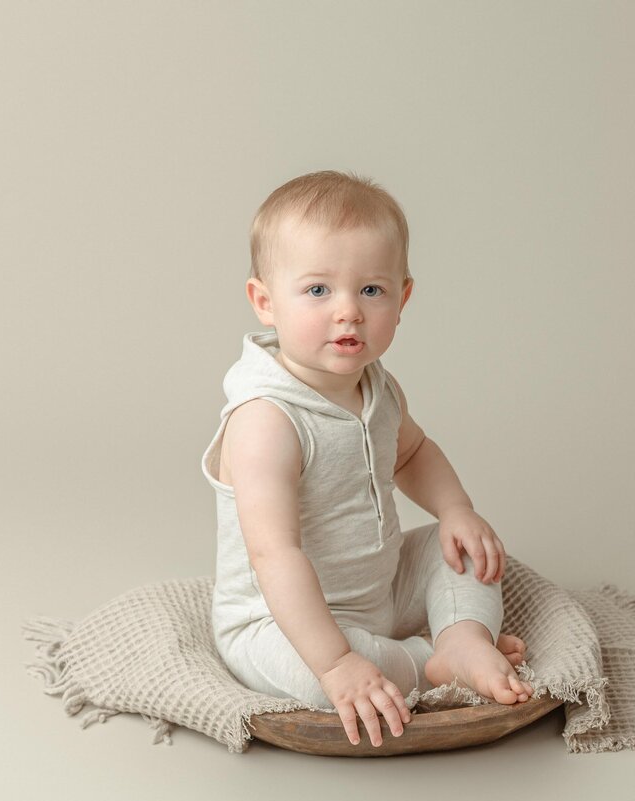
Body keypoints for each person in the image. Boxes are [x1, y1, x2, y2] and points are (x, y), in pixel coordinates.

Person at [201, 170, 532, 748]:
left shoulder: (377, 387)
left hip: (376, 590)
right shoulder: (266, 420)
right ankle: (430, 656)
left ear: (402, 298)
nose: (348, 312)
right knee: (313, 677)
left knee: (459, 551)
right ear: (265, 302)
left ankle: (459, 638)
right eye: (318, 291)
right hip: (280, 620)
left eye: (371, 291)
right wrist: (335, 664)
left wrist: (456, 509)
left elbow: (413, 453)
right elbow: (273, 554)